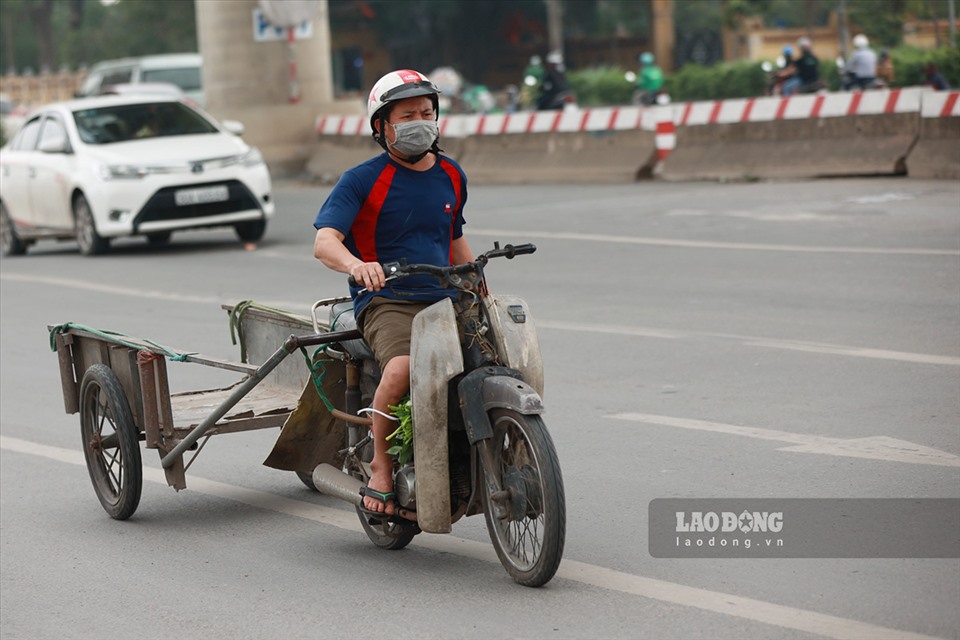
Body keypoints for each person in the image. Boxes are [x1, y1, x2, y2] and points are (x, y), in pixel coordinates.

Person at [312, 69, 475, 516]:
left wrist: (480, 289)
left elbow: (454, 237)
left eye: (427, 112)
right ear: (382, 126)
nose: (420, 120)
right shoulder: (362, 179)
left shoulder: (451, 174)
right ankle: (381, 466)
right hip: (388, 299)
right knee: (403, 369)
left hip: (444, 295)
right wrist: (357, 265)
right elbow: (325, 242)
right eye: (407, 115)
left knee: (496, 359)